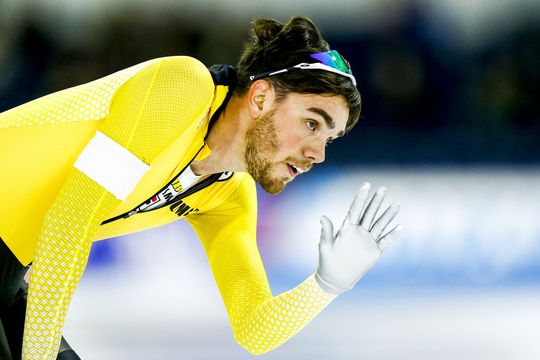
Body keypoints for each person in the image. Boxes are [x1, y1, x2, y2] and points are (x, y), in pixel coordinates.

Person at [0, 16, 404, 359]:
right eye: (312, 124)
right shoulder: (182, 89)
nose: (318, 154)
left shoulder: (228, 195)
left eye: (328, 139)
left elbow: (255, 329)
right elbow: (70, 220)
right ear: (261, 97)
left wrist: (326, 285)